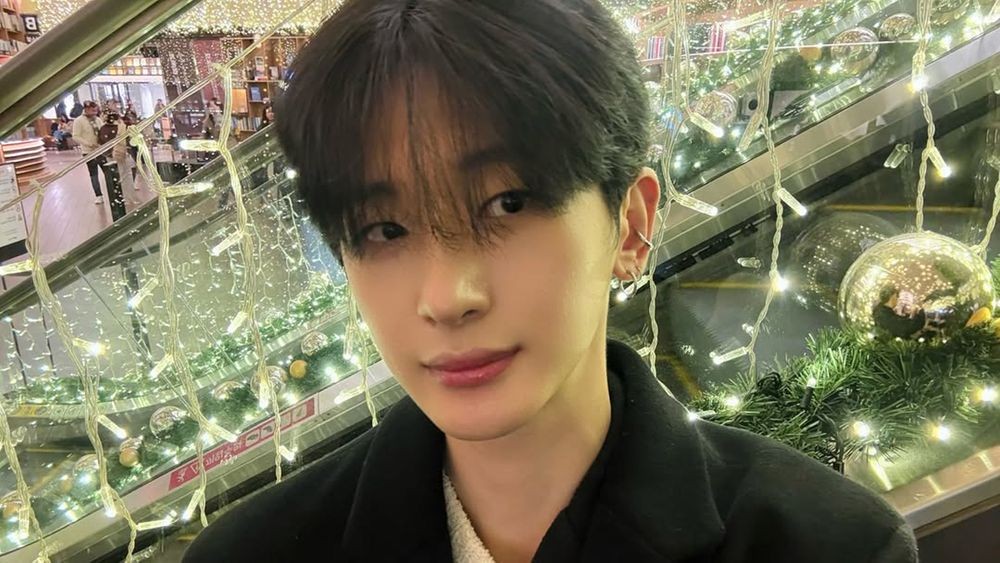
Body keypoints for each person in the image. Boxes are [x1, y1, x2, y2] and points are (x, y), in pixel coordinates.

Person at [185, 2, 917, 562]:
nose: (446, 297)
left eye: (507, 204)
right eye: (384, 230)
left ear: (630, 226)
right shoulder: (253, 552)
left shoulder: (823, 545)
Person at [71, 100, 107, 204]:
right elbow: (75, 136)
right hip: (88, 152)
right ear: (86, 109)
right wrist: (88, 144)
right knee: (94, 174)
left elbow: (103, 131)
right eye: (92, 110)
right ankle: (98, 195)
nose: (95, 113)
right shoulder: (79, 121)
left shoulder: (98, 120)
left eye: (96, 110)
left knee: (107, 171)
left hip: (101, 150)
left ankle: (112, 191)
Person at [97, 111, 128, 220]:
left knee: (115, 175)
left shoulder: (103, 128)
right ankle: (124, 195)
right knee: (123, 174)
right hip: (118, 154)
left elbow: (100, 140)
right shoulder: (120, 127)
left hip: (109, 154)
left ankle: (119, 196)